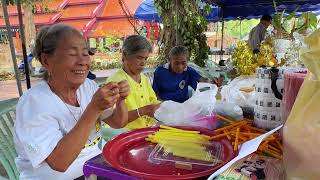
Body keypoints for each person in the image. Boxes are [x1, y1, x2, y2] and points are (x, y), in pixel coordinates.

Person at [13, 24, 130, 180]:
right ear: (46, 60)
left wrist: (121, 100)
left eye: (86, 53)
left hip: (94, 170)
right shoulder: (33, 103)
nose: (83, 61)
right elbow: (59, 163)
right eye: (72, 54)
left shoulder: (88, 87)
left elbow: (118, 122)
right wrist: (94, 108)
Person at [106, 35, 160, 130]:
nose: (143, 63)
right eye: (139, 57)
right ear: (125, 55)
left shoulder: (144, 79)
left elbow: (153, 101)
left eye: (145, 59)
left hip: (148, 130)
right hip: (126, 135)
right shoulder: (115, 82)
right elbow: (114, 119)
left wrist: (163, 106)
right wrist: (144, 110)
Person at [152, 46, 223, 103]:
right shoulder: (160, 72)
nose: (180, 67)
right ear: (169, 60)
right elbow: (154, 94)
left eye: (183, 63)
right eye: (176, 63)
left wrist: (213, 83)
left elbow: (202, 84)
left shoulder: (189, 71)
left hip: (184, 107)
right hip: (164, 107)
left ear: (187, 61)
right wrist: (162, 105)